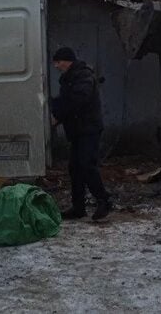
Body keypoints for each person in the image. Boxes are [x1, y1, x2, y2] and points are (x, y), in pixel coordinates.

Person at [50, 47, 111, 221]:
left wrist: (58, 115)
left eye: (58, 62)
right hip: (78, 130)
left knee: (86, 165)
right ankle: (78, 207)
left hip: (88, 129)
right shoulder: (71, 78)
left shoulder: (83, 76)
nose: (56, 66)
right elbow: (66, 101)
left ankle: (104, 200)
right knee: (75, 168)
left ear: (66, 61)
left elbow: (77, 100)